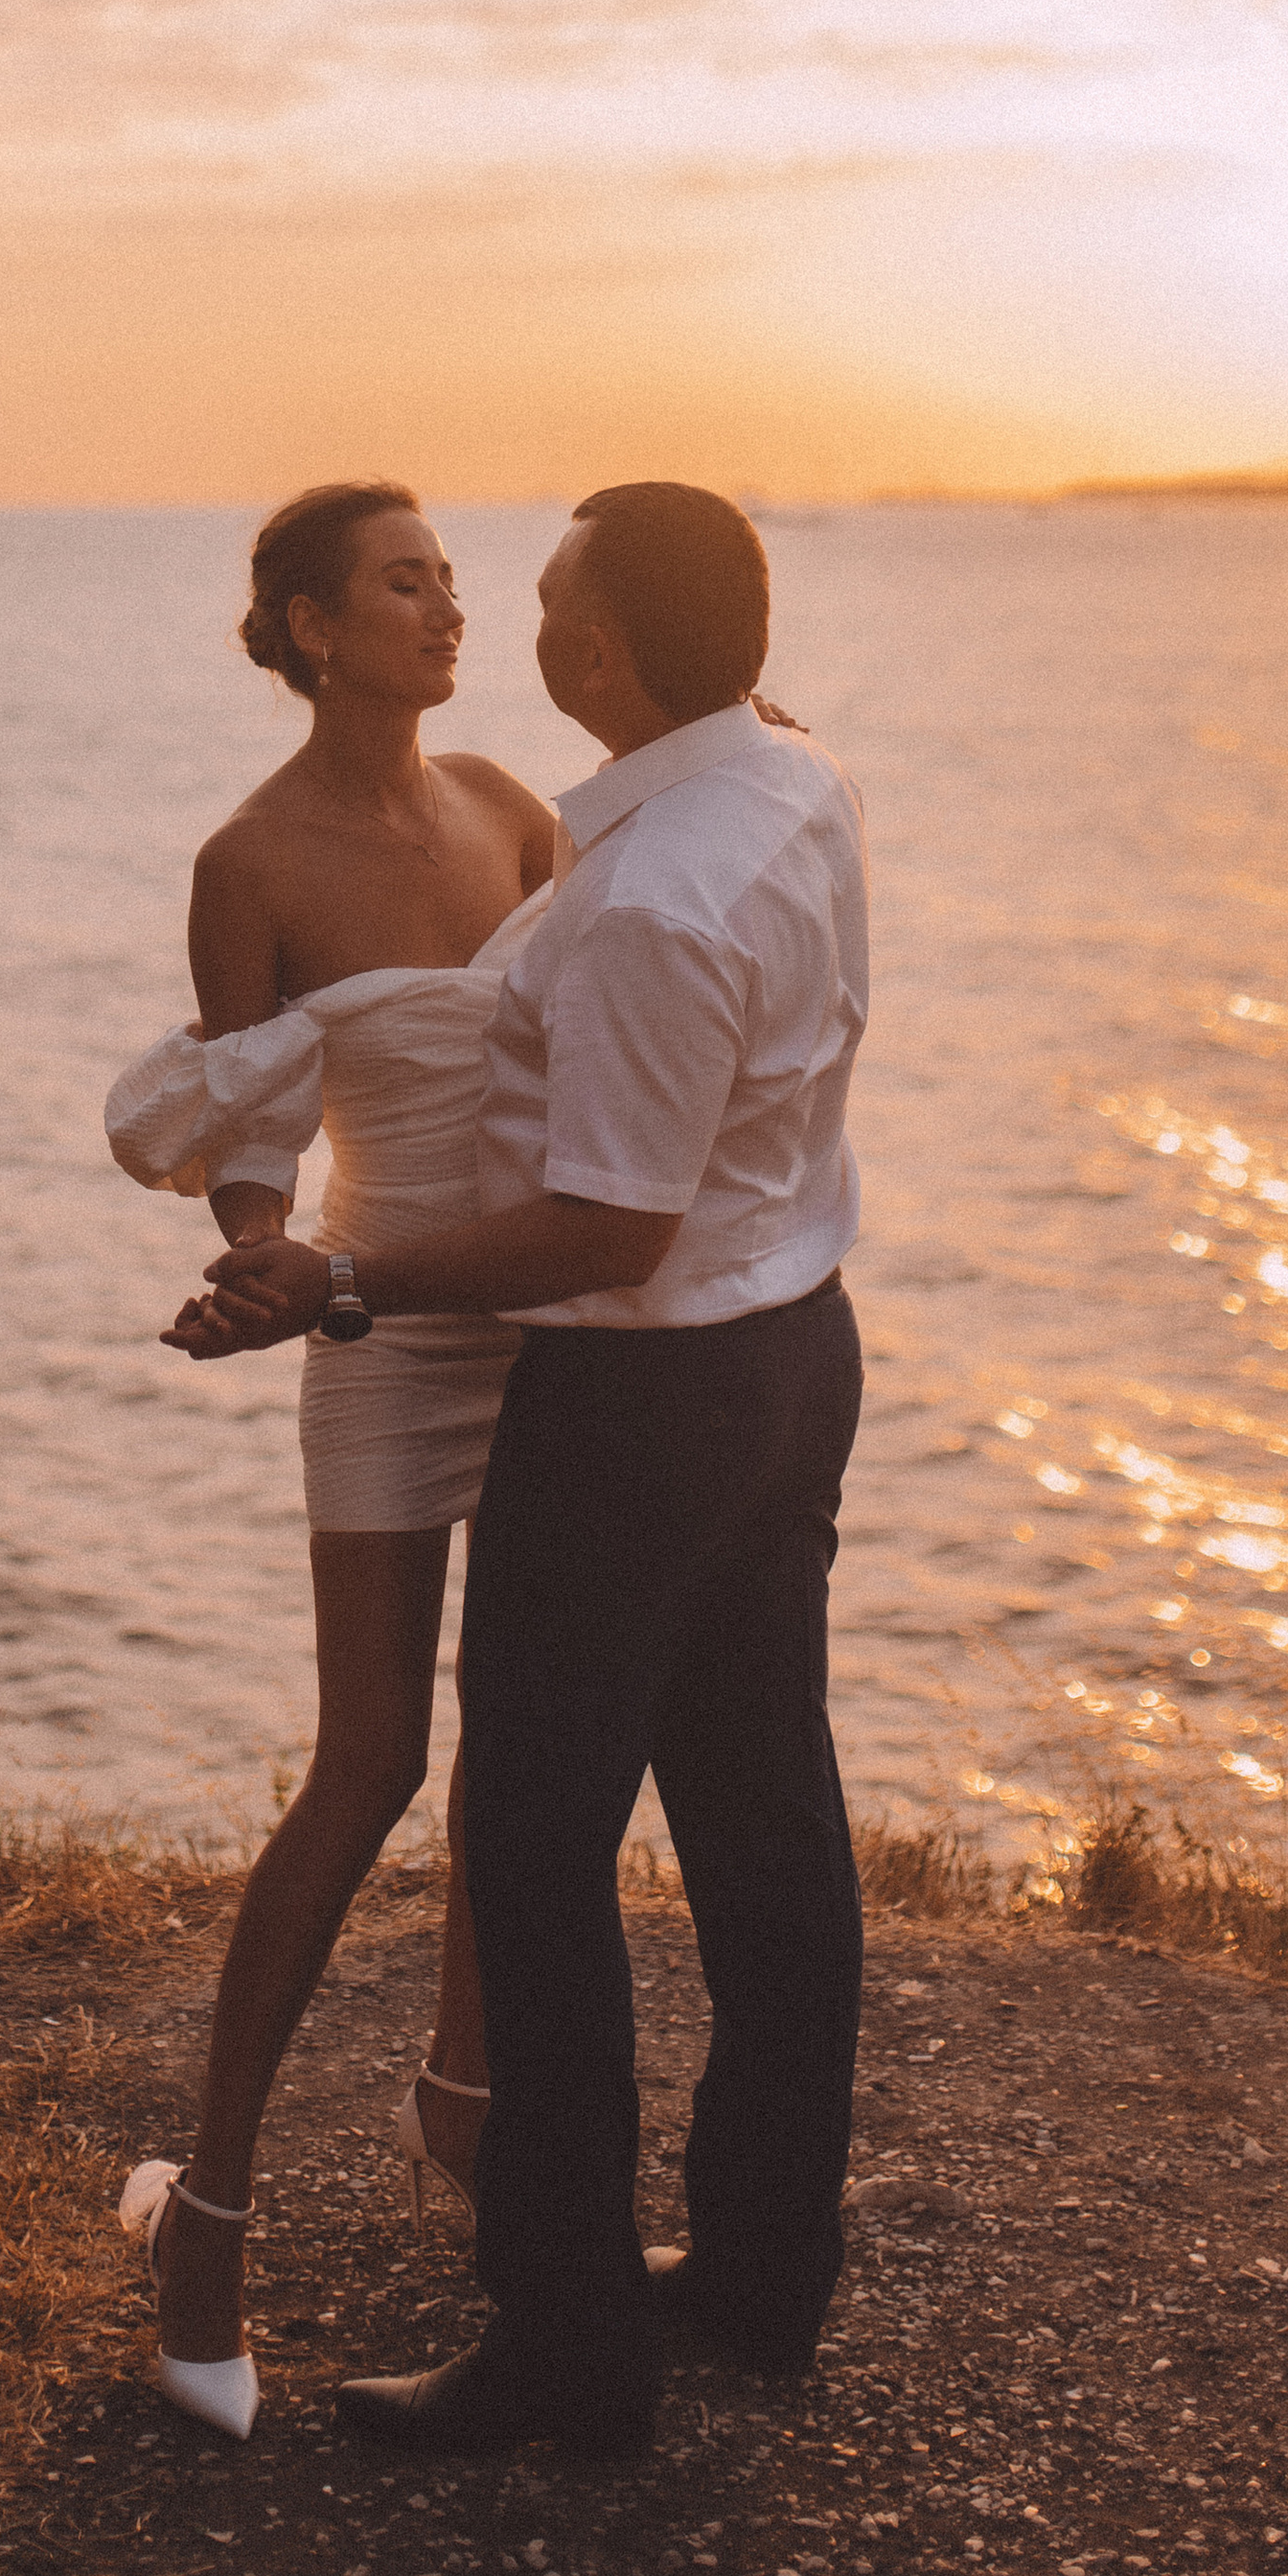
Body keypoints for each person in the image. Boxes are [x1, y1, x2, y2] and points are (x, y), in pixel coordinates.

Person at [180, 482, 869, 2461]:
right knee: (763, 1821)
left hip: (642, 1401)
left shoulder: (650, 892)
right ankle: (755, 2268)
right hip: (787, 1360)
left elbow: (602, 1232)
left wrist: (346, 1272)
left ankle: (568, 2348)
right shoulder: (776, 787)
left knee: (541, 1853)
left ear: (599, 654)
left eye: (540, 592)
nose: (503, 610)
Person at [106, 481, 556, 2439]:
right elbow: (251, 1118)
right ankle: (205, 2213)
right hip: (374, 1329)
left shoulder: (512, 807)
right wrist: (259, 1262)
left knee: (528, 1738)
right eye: (402, 582)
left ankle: (469, 2117)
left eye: (451, 578)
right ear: (303, 625)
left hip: (548, 1313)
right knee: (367, 1761)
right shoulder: (250, 856)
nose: (445, 607)